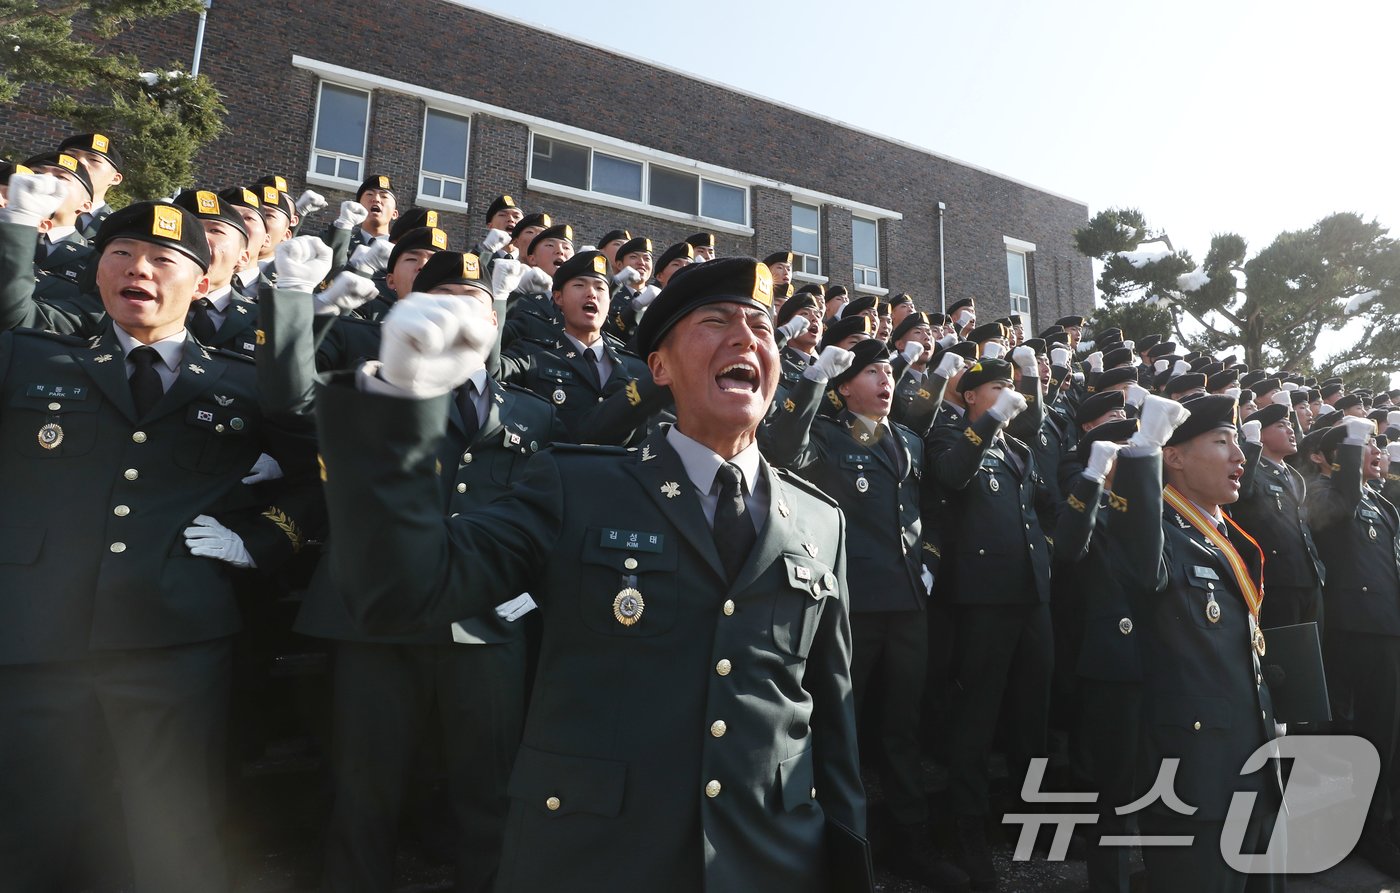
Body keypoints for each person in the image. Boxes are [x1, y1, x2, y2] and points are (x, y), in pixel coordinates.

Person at [315, 256, 868, 891]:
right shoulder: (574, 485)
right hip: (596, 857)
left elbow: (833, 725)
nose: (746, 338)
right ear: (657, 368)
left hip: (770, 858)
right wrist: (399, 403)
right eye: (715, 321)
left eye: (762, 328)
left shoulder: (822, 523)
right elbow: (402, 591)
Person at [0, 189, 317, 892]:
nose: (137, 268)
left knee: (170, 830)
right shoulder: (29, 357)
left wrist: (258, 540)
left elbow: (320, 476)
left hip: (174, 640)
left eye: (162, 258)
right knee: (25, 825)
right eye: (121, 253)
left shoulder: (241, 385)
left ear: (204, 281)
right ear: (98, 269)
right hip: (32, 637)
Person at [763, 338, 967, 892]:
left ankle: (911, 844)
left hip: (907, 603)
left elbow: (930, 510)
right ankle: (843, 847)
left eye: (889, 372)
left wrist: (929, 562)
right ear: (845, 385)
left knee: (902, 728)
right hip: (850, 606)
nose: (885, 382)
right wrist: (811, 381)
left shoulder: (907, 439)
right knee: (840, 728)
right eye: (871, 372)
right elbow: (779, 450)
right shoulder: (826, 436)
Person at [1125, 393, 1283, 891]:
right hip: (1195, 779)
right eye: (1222, 443)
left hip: (1252, 762)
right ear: (1174, 456)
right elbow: (1138, 558)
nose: (1240, 458)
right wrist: (1141, 451)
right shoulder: (1157, 533)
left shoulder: (1223, 535)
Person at [925, 355, 1053, 890]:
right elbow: (952, 475)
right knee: (976, 717)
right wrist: (991, 419)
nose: (1008, 394)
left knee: (1032, 713)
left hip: (1031, 596)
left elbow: (1043, 510)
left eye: (1011, 387)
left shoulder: (1017, 448)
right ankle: (968, 830)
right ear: (971, 394)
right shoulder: (947, 436)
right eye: (997, 388)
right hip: (983, 598)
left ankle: (1032, 817)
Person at [1306, 417, 1400, 875]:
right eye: (1366, 447)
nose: (1376, 453)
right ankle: (1356, 831)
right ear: (1337, 458)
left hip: (1387, 630)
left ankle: (1379, 825)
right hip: (1353, 634)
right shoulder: (1325, 494)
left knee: (1386, 735)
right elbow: (1334, 512)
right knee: (1357, 737)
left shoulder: (1380, 503)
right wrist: (1350, 446)